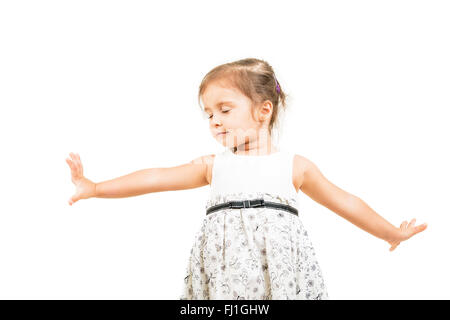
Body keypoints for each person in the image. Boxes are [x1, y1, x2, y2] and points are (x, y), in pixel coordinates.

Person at [66, 58, 428, 300]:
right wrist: (96, 188)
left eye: (224, 110)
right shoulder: (212, 166)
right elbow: (156, 177)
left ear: (263, 110)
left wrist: (391, 233)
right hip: (223, 279)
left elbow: (345, 202)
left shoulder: (295, 166)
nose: (215, 121)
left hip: (279, 276)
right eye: (208, 114)